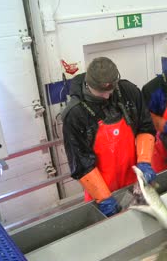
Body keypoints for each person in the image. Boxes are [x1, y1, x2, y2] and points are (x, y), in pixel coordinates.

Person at [62, 57, 157, 217]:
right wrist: (104, 198)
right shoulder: (75, 114)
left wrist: (145, 163)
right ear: (89, 85)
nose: (107, 96)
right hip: (100, 190)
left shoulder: (128, 92)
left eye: (110, 91)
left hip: (133, 184)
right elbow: (81, 163)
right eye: (101, 92)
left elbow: (145, 127)